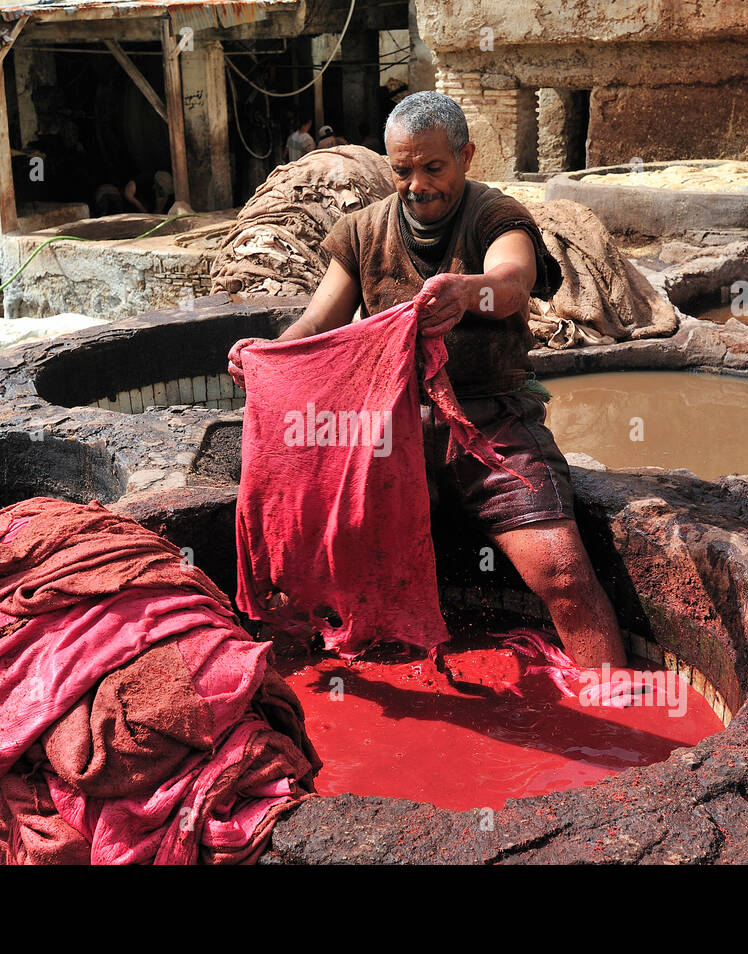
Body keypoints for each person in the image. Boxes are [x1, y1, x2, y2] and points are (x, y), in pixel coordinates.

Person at [229, 91, 626, 670]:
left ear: (465, 156)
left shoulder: (495, 214)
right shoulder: (362, 231)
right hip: (389, 437)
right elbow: (320, 320)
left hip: (492, 424)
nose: (417, 184)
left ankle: (614, 707)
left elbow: (511, 283)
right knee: (307, 554)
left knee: (562, 571)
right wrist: (267, 359)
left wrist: (468, 293)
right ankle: (293, 683)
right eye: (402, 170)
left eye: (433, 167)